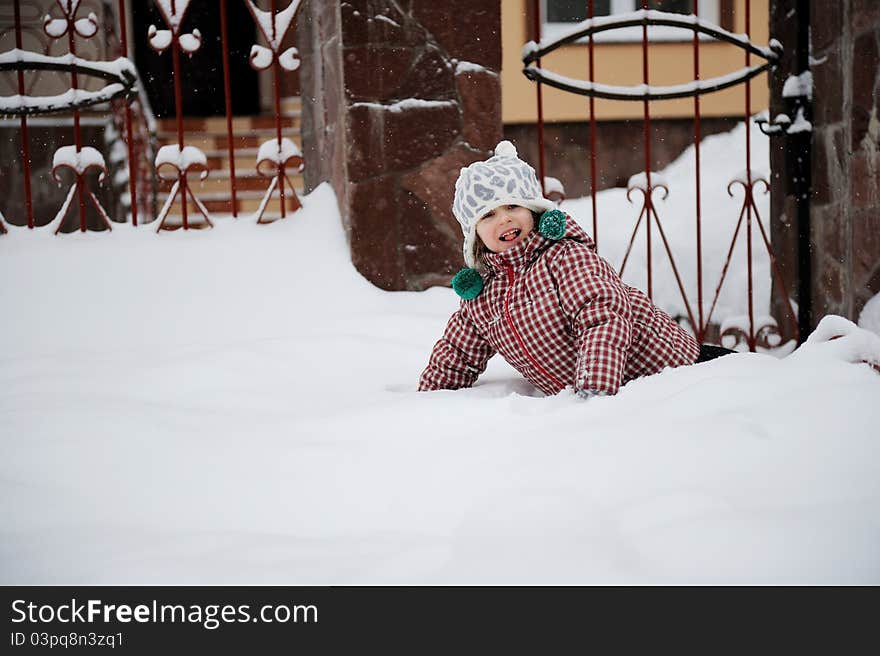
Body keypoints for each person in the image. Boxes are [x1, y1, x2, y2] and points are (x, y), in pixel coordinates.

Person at [418, 140, 722, 399]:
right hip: (607, 397)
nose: (504, 220)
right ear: (476, 236)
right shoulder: (482, 297)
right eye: (488, 215)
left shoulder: (564, 257)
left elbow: (603, 316)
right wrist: (428, 400)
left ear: (533, 211)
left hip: (672, 373)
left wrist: (593, 389)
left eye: (513, 207)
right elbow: (457, 354)